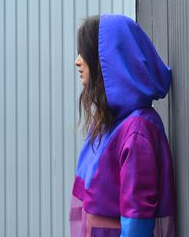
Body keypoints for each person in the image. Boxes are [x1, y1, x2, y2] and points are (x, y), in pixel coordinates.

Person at [69, 14, 175, 237]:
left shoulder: (137, 130)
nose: (77, 61)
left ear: (107, 59)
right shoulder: (114, 123)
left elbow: (137, 222)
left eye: (84, 52)